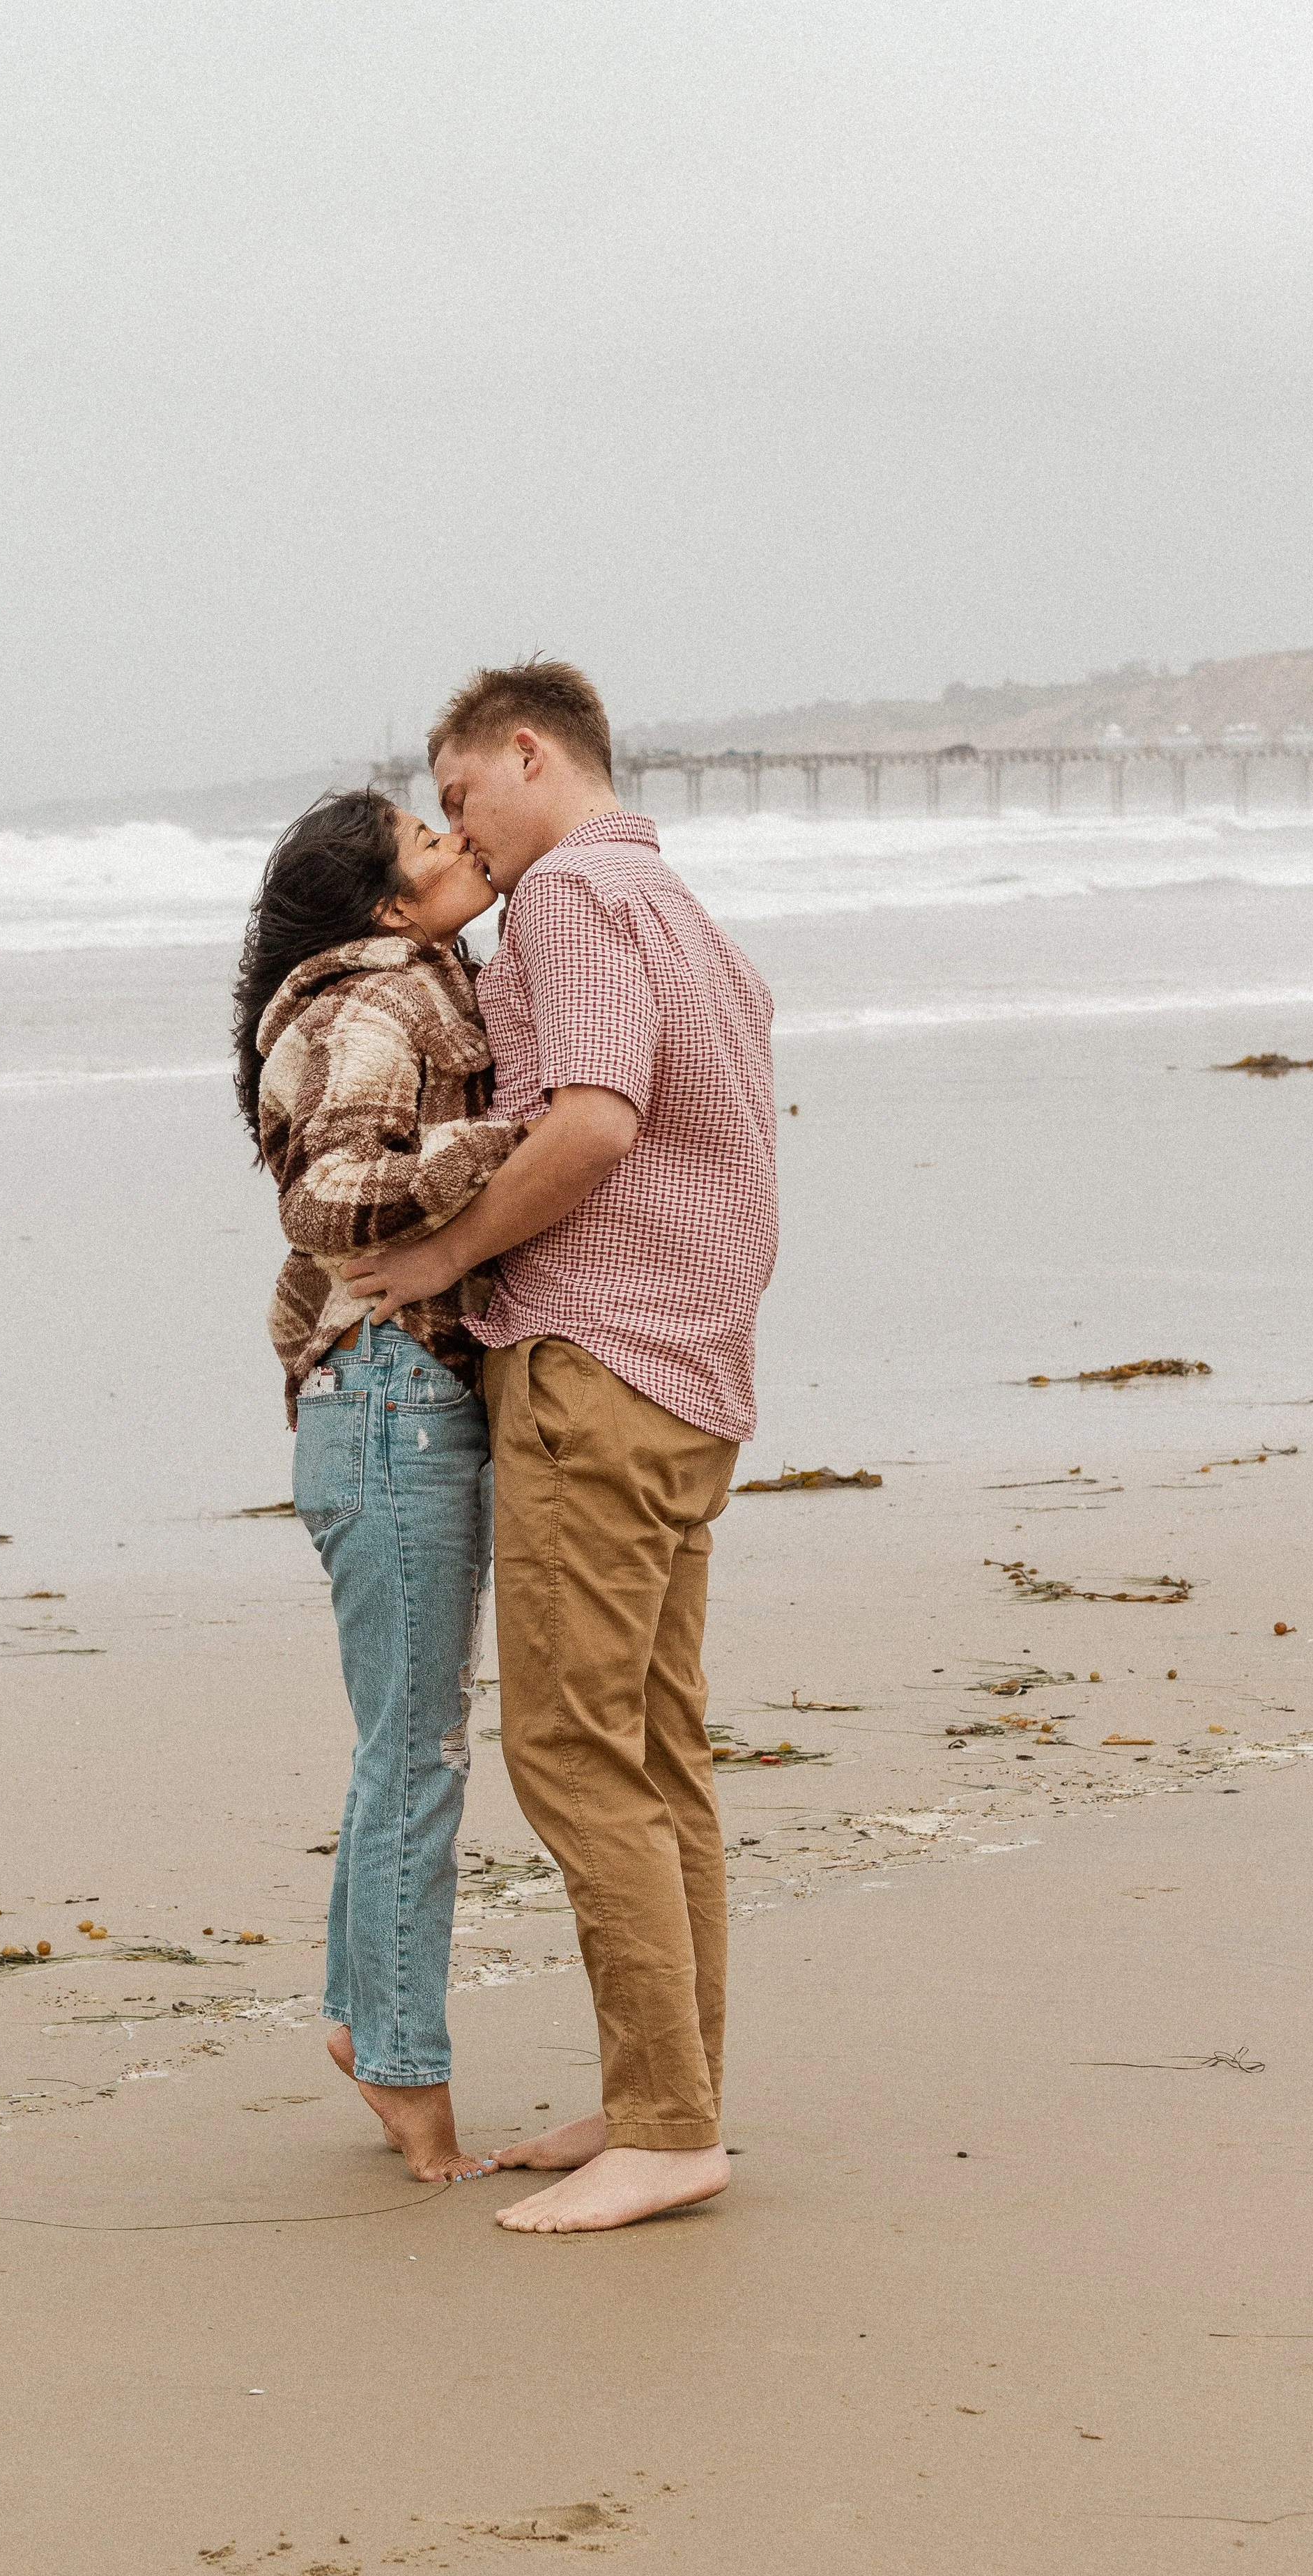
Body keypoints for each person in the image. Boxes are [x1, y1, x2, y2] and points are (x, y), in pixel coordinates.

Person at [344, 659, 778, 2233]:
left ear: (527, 756)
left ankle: (667, 2131)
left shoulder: (576, 906)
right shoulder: (681, 911)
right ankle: (661, 2095)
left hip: (598, 1364)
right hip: (689, 1369)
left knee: (571, 1750)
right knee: (654, 1756)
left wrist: (445, 1259)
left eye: (459, 799)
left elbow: (591, 1120)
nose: (457, 834)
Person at [233, 788, 522, 2182]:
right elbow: (333, 1196)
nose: (460, 845)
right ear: (385, 906)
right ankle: (411, 2079)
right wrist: (516, 1138)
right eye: (426, 845)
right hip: (395, 1408)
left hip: (374, 1404)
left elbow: (315, 1244)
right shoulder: (382, 994)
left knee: (395, 1742)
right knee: (417, 1758)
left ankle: (360, 2020)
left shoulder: (411, 979)